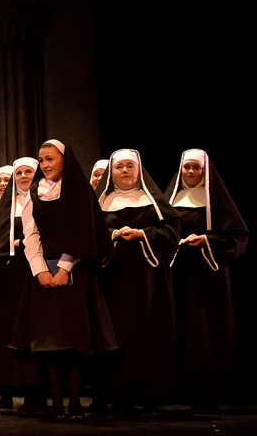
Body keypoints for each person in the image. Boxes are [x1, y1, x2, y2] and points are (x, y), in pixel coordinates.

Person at [8, 140, 117, 420]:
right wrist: (40, 270)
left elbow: (82, 232)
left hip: (75, 271)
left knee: (74, 340)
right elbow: (31, 234)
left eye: (50, 159)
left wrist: (65, 268)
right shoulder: (35, 192)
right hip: (44, 271)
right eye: (42, 160)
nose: (45, 165)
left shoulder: (78, 190)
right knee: (49, 341)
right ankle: (57, 403)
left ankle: (76, 404)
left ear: (64, 160)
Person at [95, 149, 179, 415]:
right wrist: (113, 234)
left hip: (148, 280)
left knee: (148, 331)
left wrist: (143, 234)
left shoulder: (153, 202)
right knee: (115, 332)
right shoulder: (101, 202)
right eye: (119, 166)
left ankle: (150, 394)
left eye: (130, 166)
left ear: (139, 170)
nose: (124, 171)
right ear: (111, 172)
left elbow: (171, 232)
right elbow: (89, 234)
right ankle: (116, 392)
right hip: (112, 279)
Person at [165, 149, 248, 413]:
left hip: (208, 275)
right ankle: (177, 391)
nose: (191, 172)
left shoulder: (216, 200)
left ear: (204, 170)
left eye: (196, 168)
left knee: (205, 331)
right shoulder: (171, 199)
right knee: (179, 326)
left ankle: (209, 393)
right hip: (178, 273)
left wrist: (207, 241)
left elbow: (237, 238)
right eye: (187, 167)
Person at [0, 157, 47, 412]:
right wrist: (9, 246)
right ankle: (12, 387)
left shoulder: (45, 202)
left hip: (39, 275)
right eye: (19, 173)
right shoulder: (3, 209)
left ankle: (38, 393)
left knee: (37, 330)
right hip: (12, 278)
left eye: (29, 172)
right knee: (12, 332)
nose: (23, 177)